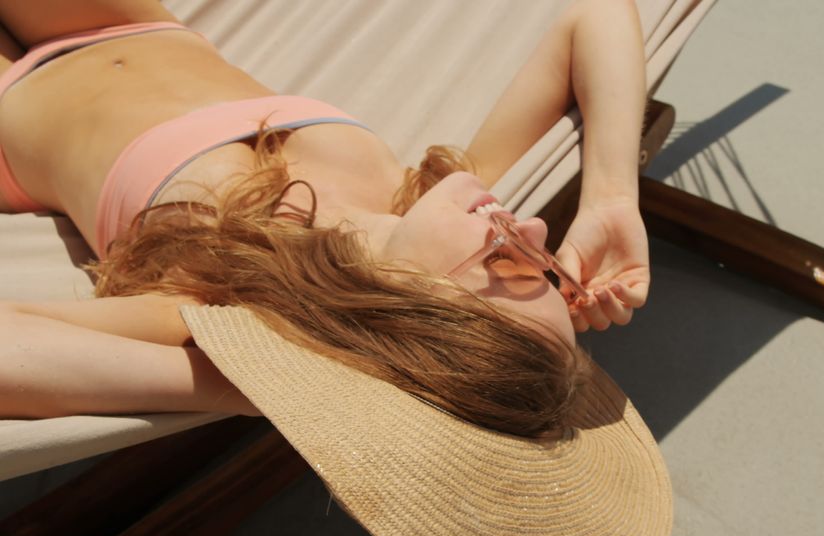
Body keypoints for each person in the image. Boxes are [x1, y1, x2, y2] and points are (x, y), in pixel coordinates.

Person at [0, 0, 650, 438]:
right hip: (129, 21)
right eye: (544, 266)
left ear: (411, 310)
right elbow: (595, 13)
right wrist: (612, 198)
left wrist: (269, 389)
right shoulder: (415, 197)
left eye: (506, 264)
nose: (533, 230)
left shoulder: (226, 300)